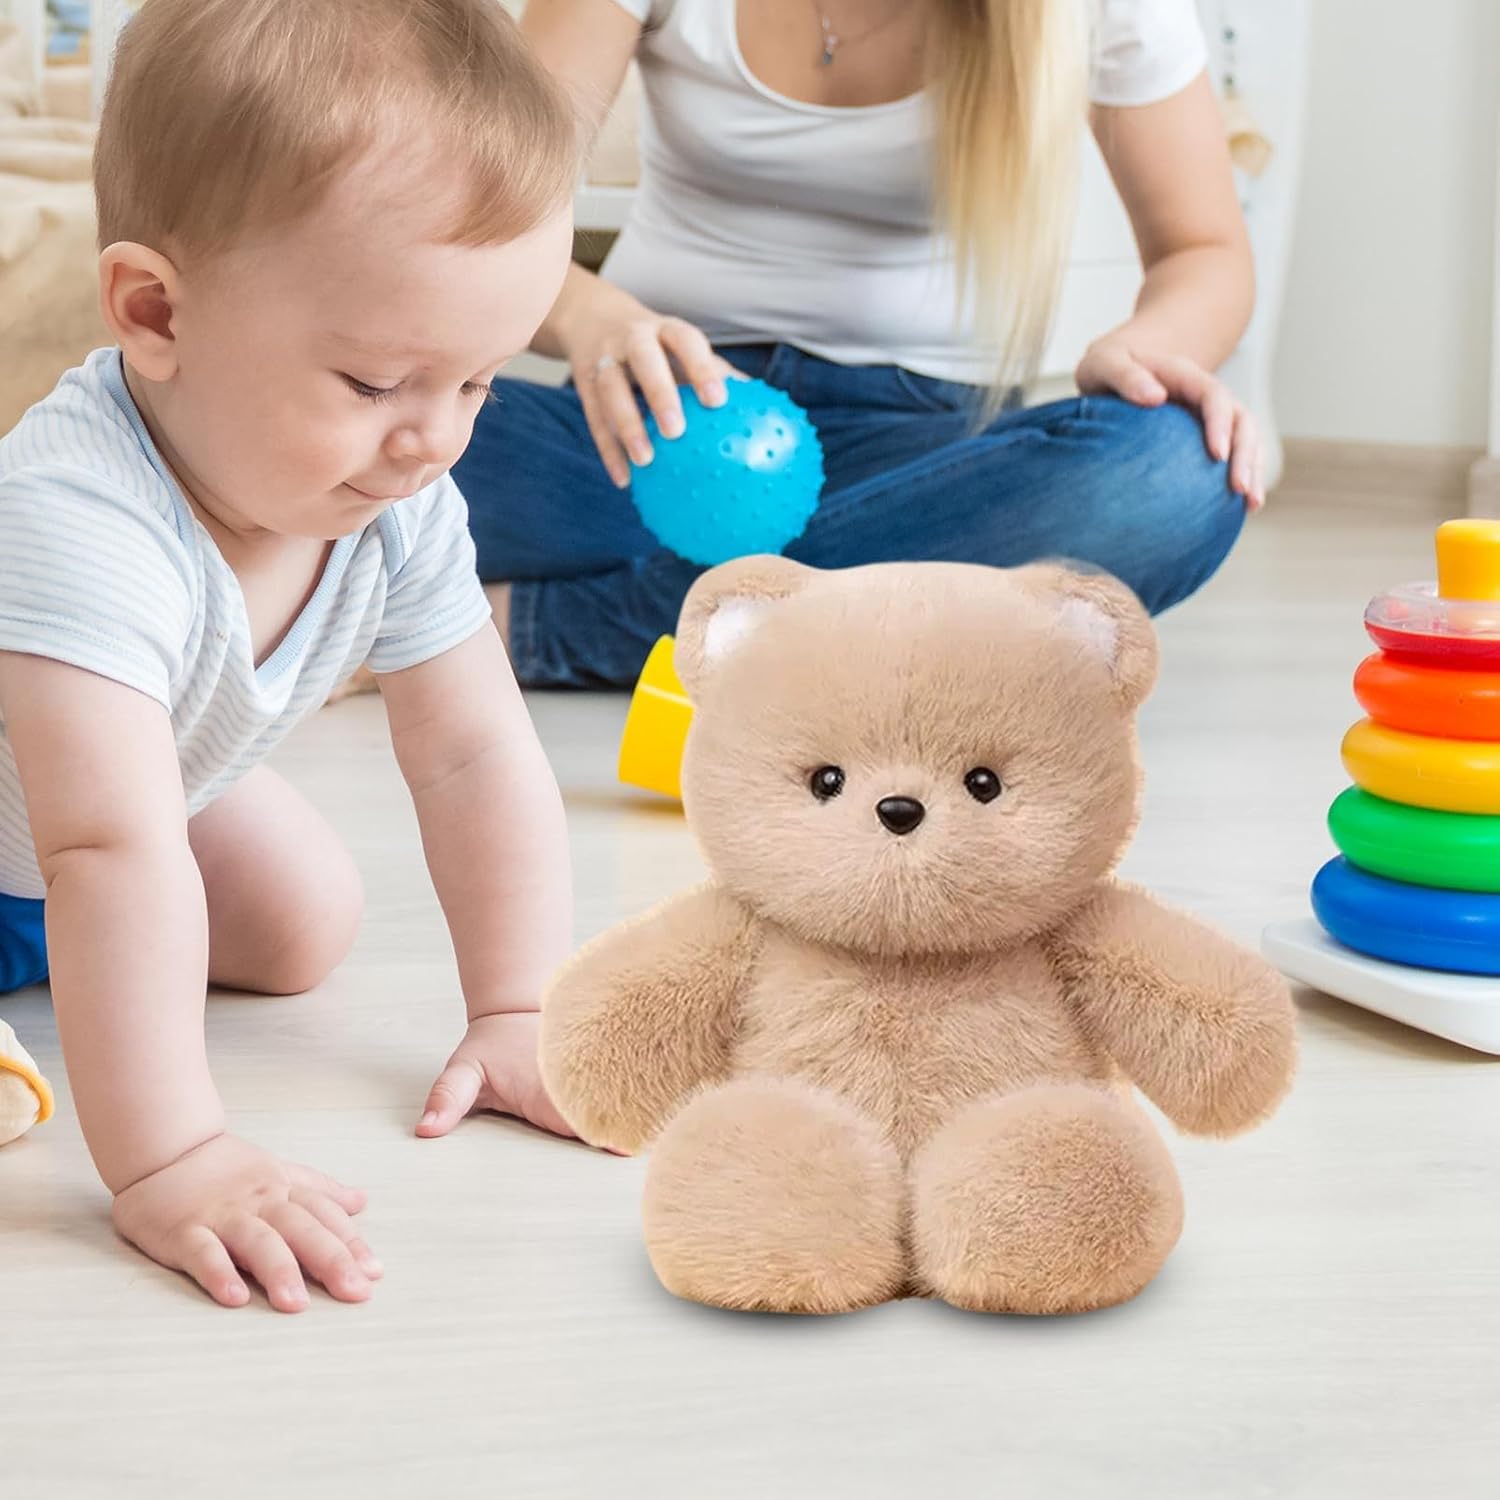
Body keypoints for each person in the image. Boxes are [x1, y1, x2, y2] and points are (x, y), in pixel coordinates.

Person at [0, 0, 579, 1312]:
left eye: (478, 382)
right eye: (376, 383)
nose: (435, 439)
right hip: (67, 830)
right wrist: (173, 1156)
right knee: (126, 877)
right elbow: (107, 849)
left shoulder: (397, 497)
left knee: (304, 919)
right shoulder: (76, 516)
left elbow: (475, 753)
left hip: (89, 823)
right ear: (155, 311)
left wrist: (521, 1008)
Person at [454, 0, 1263, 689]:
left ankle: (539, 629)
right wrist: (591, 315)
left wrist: (1145, 346)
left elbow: (1203, 250)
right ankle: (861, 612)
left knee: (1176, 469)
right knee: (393, 430)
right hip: (653, 429)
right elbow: (485, 216)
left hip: (923, 464)